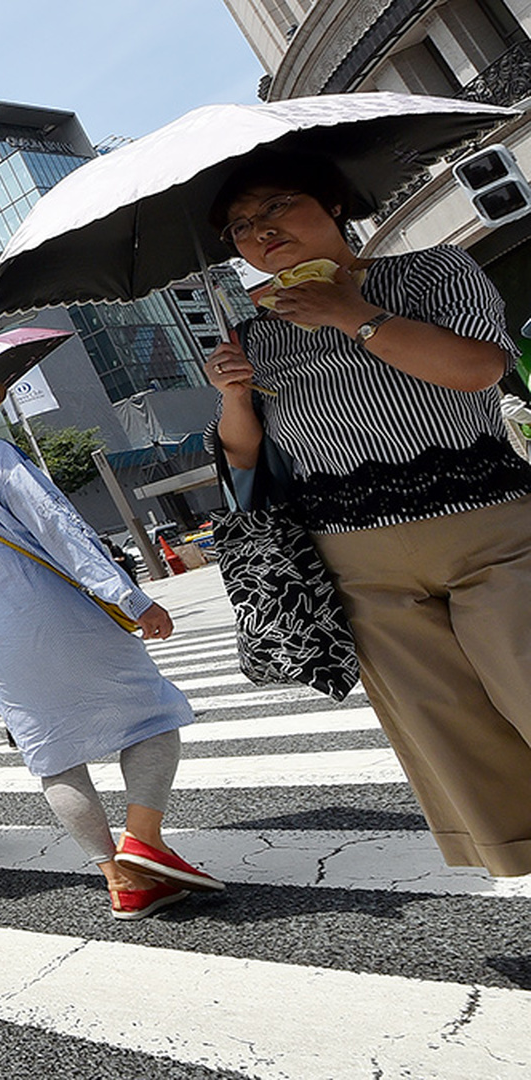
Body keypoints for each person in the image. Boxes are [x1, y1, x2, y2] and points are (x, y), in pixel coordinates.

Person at [207, 150, 531, 878]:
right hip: (358, 563)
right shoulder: (254, 335)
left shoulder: (433, 272)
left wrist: (355, 315)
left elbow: (479, 369)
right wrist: (232, 394)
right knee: (453, 732)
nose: (260, 231)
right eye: (241, 226)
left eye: (276, 206)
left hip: (493, 527)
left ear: (331, 205)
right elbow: (246, 462)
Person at [0, 378, 219, 920]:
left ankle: (120, 879)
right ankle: (141, 837)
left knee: (53, 751)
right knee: (152, 712)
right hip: (50, 609)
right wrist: (129, 596)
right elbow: (58, 526)